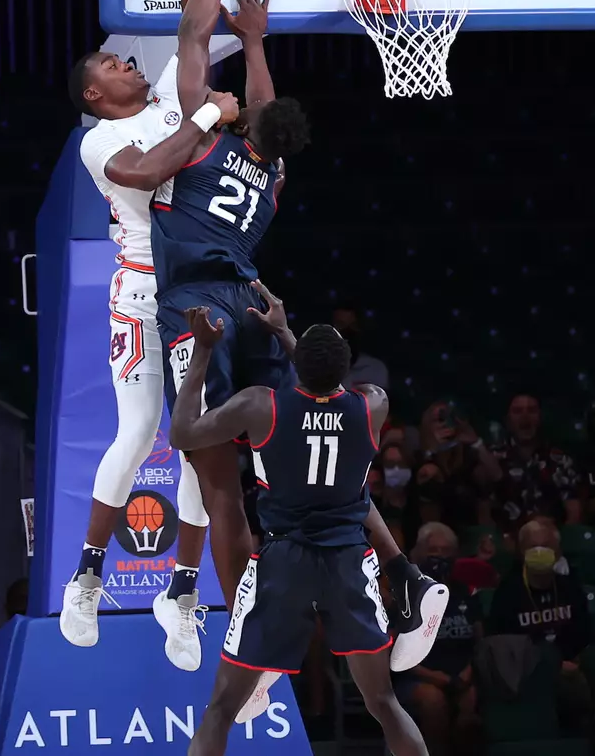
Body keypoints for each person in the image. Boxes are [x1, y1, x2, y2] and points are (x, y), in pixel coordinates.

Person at [149, 0, 442, 674]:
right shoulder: (271, 170)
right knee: (322, 451)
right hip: (255, 301)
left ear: (238, 120)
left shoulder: (200, 144)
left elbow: (190, 34)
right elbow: (267, 108)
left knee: (219, 482)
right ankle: (400, 569)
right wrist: (253, 41)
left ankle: (246, 641)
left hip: (203, 308)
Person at [61, 0, 250, 662]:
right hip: (142, 289)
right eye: (112, 67)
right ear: (94, 98)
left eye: (126, 61)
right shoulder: (100, 141)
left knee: (200, 436)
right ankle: (88, 580)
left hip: (195, 287)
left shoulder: (173, 95)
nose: (127, 65)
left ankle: (182, 591)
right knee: (139, 432)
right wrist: (208, 109)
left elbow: (198, 15)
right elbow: (148, 172)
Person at [168, 304, 429, 756]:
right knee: (384, 703)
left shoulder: (261, 404)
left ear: (297, 364)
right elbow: (334, 389)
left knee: (221, 709)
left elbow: (182, 432)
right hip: (348, 561)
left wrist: (204, 352)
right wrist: (289, 335)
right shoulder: (372, 405)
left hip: (282, 563)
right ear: (345, 367)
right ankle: (410, 579)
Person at [486, 520, 593, 736]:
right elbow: (503, 642)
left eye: (546, 546)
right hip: (526, 669)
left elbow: (584, 632)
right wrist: (551, 664)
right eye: (532, 547)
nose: (539, 552)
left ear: (558, 551)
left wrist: (572, 660)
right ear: (521, 552)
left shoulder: (570, 586)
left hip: (570, 665)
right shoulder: (508, 591)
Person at [396, 523, 481, 756]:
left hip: (463, 675)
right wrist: (436, 677)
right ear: (419, 554)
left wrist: (468, 673)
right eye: (434, 550)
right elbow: (397, 654)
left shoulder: (466, 594)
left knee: (473, 701)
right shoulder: (405, 595)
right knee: (434, 701)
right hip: (418, 677)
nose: (440, 557)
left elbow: (481, 643)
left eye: (446, 551)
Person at [490, 394, 579, 531]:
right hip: (506, 541)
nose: (525, 416)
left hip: (550, 537)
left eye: (531, 410)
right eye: (518, 411)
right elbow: (483, 507)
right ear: (507, 420)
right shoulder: (492, 457)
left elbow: (574, 510)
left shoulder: (559, 459)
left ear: (540, 417)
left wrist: (562, 539)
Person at [332, 301, 390, 392]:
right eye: (341, 325)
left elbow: (381, 405)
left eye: (353, 326)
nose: (348, 332)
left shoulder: (375, 369)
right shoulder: (312, 369)